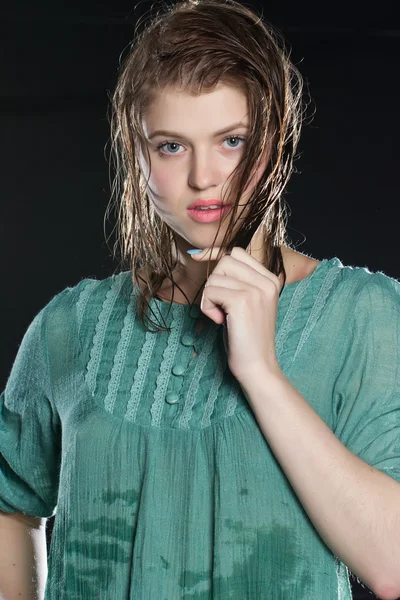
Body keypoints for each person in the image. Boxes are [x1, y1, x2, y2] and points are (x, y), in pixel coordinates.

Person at [1, 0, 400, 599]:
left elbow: (391, 565)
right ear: (136, 153)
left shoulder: (364, 318)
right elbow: (11, 502)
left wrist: (262, 374)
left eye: (232, 140)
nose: (204, 177)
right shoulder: (67, 328)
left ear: (275, 139)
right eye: (170, 146)